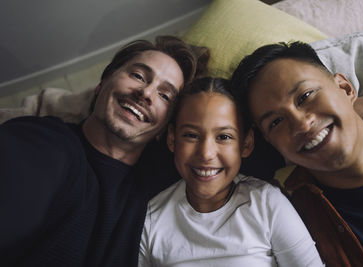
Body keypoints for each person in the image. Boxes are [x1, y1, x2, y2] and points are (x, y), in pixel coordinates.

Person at [0, 36, 208, 267]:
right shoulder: (43, 139)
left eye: (165, 95)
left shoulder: (164, 180)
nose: (146, 93)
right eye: (138, 76)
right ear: (101, 85)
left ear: (166, 128)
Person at [231, 41, 363, 266]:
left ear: (346, 89)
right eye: (276, 122)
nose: (301, 124)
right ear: (269, 142)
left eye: (305, 96)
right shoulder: (293, 220)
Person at [139, 77, 324, 266]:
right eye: (191, 135)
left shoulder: (266, 203)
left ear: (246, 144)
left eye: (224, 137)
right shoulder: (150, 220)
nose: (206, 154)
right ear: (172, 139)